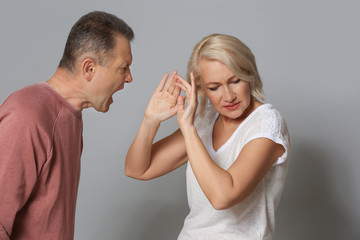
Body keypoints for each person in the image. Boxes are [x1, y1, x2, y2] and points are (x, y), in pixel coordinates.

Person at [125, 33, 290, 239]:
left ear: (250, 75)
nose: (228, 96)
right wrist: (150, 120)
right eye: (214, 87)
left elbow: (223, 197)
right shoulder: (205, 120)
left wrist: (188, 127)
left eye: (235, 81)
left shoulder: (266, 123)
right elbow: (137, 169)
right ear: (201, 89)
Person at [0, 11, 133, 240]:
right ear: (89, 68)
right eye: (123, 68)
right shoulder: (26, 115)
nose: (129, 78)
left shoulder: (71, 117)